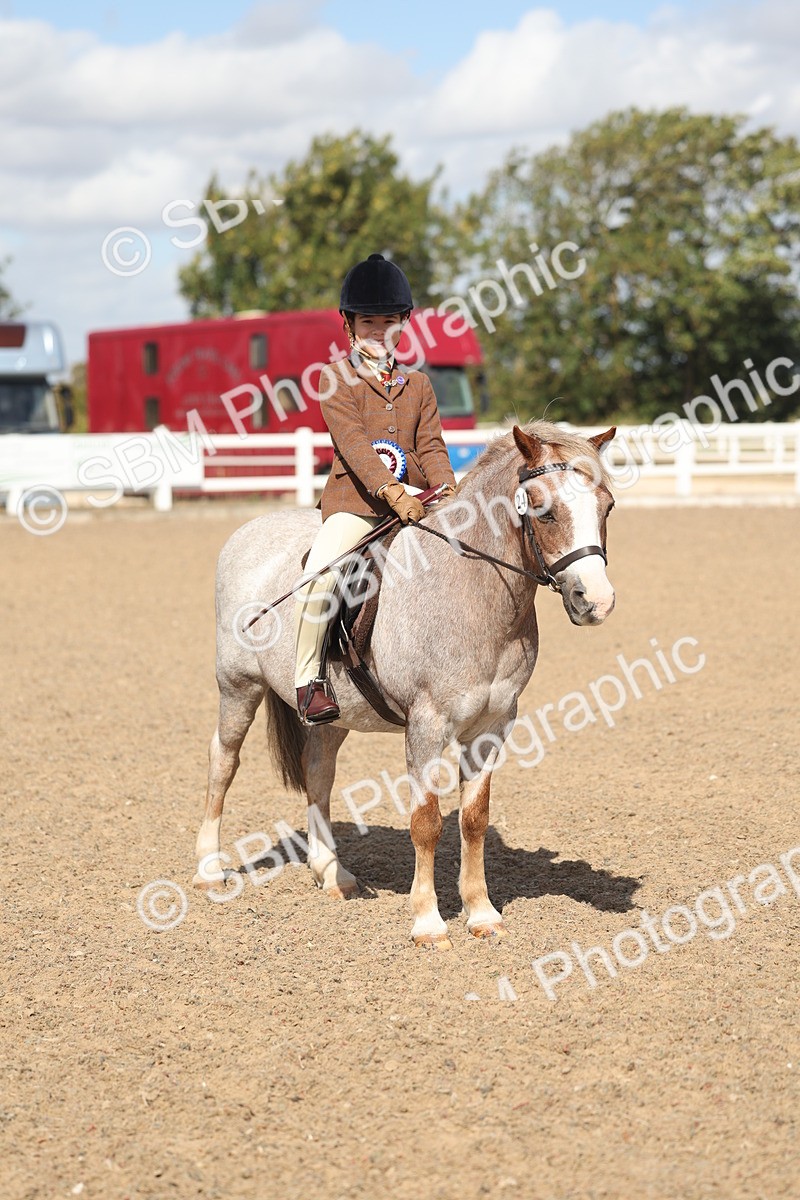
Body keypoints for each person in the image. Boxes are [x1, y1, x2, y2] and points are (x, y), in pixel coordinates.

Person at [293, 252, 457, 725]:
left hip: (415, 507)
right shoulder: (334, 379)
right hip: (357, 507)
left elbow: (430, 446)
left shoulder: (419, 384)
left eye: (389, 322)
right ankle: (309, 680)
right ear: (349, 325)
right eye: (369, 322)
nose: (379, 332)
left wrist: (446, 490)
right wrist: (394, 493)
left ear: (404, 324)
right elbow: (356, 448)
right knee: (321, 574)